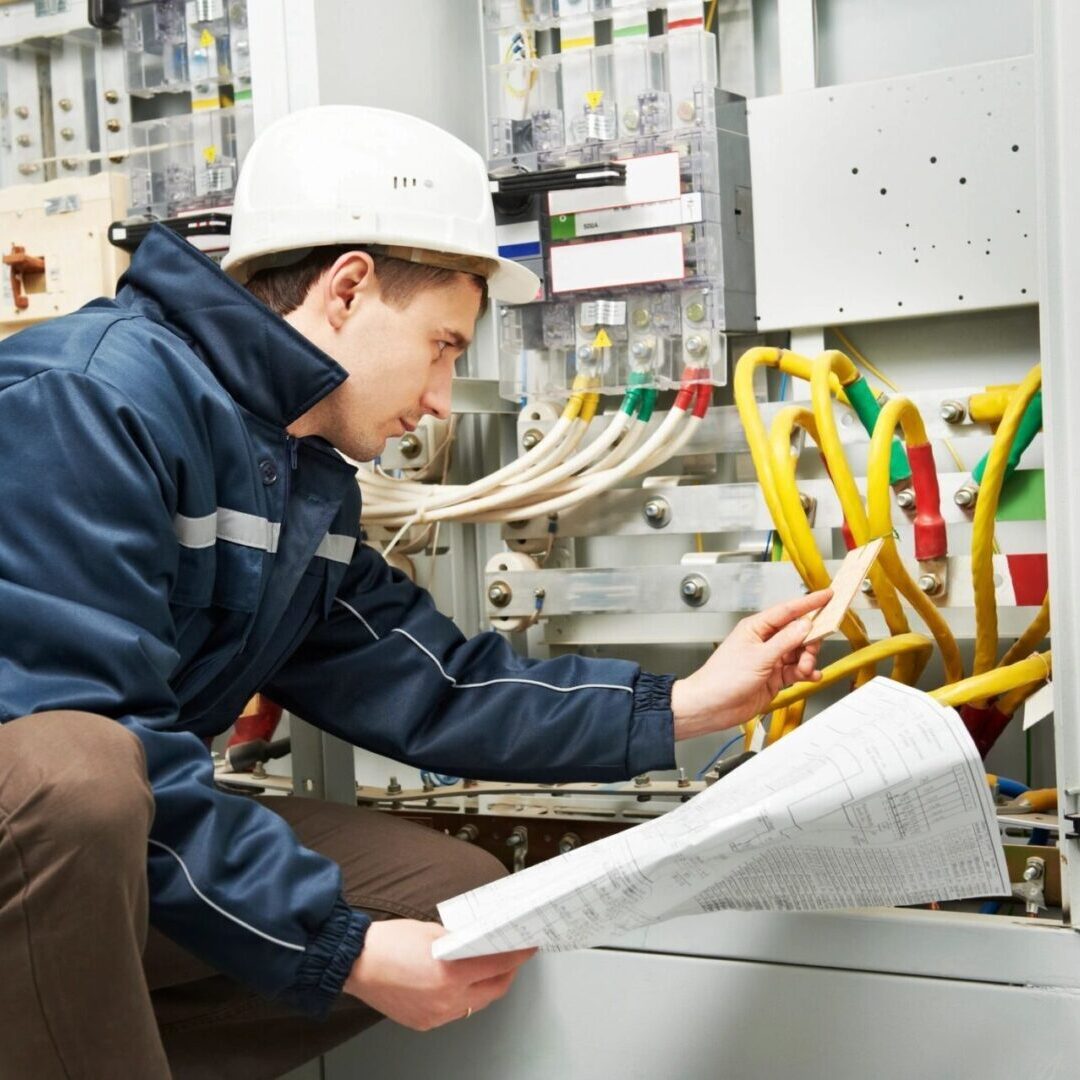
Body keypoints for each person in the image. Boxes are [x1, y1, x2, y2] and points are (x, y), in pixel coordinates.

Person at [0, 105, 826, 1079]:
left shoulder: (298, 474)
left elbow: (429, 684)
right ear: (348, 288)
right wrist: (335, 947)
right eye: (442, 345)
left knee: (451, 904)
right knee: (81, 772)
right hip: (49, 825)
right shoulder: (88, 401)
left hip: (82, 863)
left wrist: (688, 705)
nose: (442, 395)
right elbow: (86, 733)